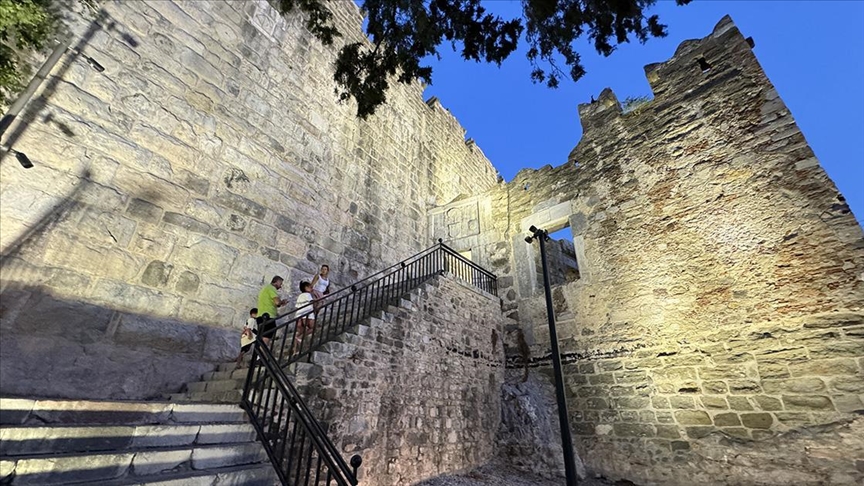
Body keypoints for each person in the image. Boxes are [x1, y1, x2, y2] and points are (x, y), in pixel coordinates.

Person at [257, 276, 288, 348]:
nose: (280, 286)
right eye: (280, 283)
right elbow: (277, 302)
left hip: (261, 315)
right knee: (266, 337)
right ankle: (262, 353)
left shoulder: (266, 288)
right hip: (268, 316)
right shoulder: (272, 288)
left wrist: (280, 303)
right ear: (276, 282)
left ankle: (259, 353)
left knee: (262, 336)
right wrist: (281, 302)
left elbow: (274, 303)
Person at [293, 281, 316, 355]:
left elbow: (297, 306)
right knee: (312, 328)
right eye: (310, 287)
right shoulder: (308, 294)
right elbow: (312, 302)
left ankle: (295, 351)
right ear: (306, 288)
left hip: (299, 315)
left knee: (299, 332)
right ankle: (301, 337)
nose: (311, 288)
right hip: (308, 314)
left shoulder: (300, 296)